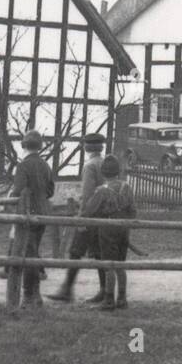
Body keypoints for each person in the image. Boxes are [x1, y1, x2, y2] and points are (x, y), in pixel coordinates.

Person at [49, 131, 109, 303]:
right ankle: (103, 290)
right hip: (103, 215)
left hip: (89, 215)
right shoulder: (105, 163)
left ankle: (67, 290)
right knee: (99, 253)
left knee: (76, 251)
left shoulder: (90, 166)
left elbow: (88, 192)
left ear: (87, 148)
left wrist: (82, 216)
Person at [78, 154, 136, 312]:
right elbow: (133, 211)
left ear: (103, 173)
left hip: (107, 230)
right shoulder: (127, 187)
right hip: (124, 229)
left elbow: (90, 210)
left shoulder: (101, 191)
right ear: (118, 171)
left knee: (108, 265)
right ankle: (122, 298)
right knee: (120, 265)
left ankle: (109, 299)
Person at [6, 128, 54, 310]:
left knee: (28, 255)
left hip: (27, 214)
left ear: (23, 146)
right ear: (40, 147)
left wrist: (12, 194)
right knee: (33, 252)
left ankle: (28, 295)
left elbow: (17, 191)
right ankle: (36, 294)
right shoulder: (45, 165)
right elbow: (51, 191)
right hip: (42, 214)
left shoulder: (23, 166)